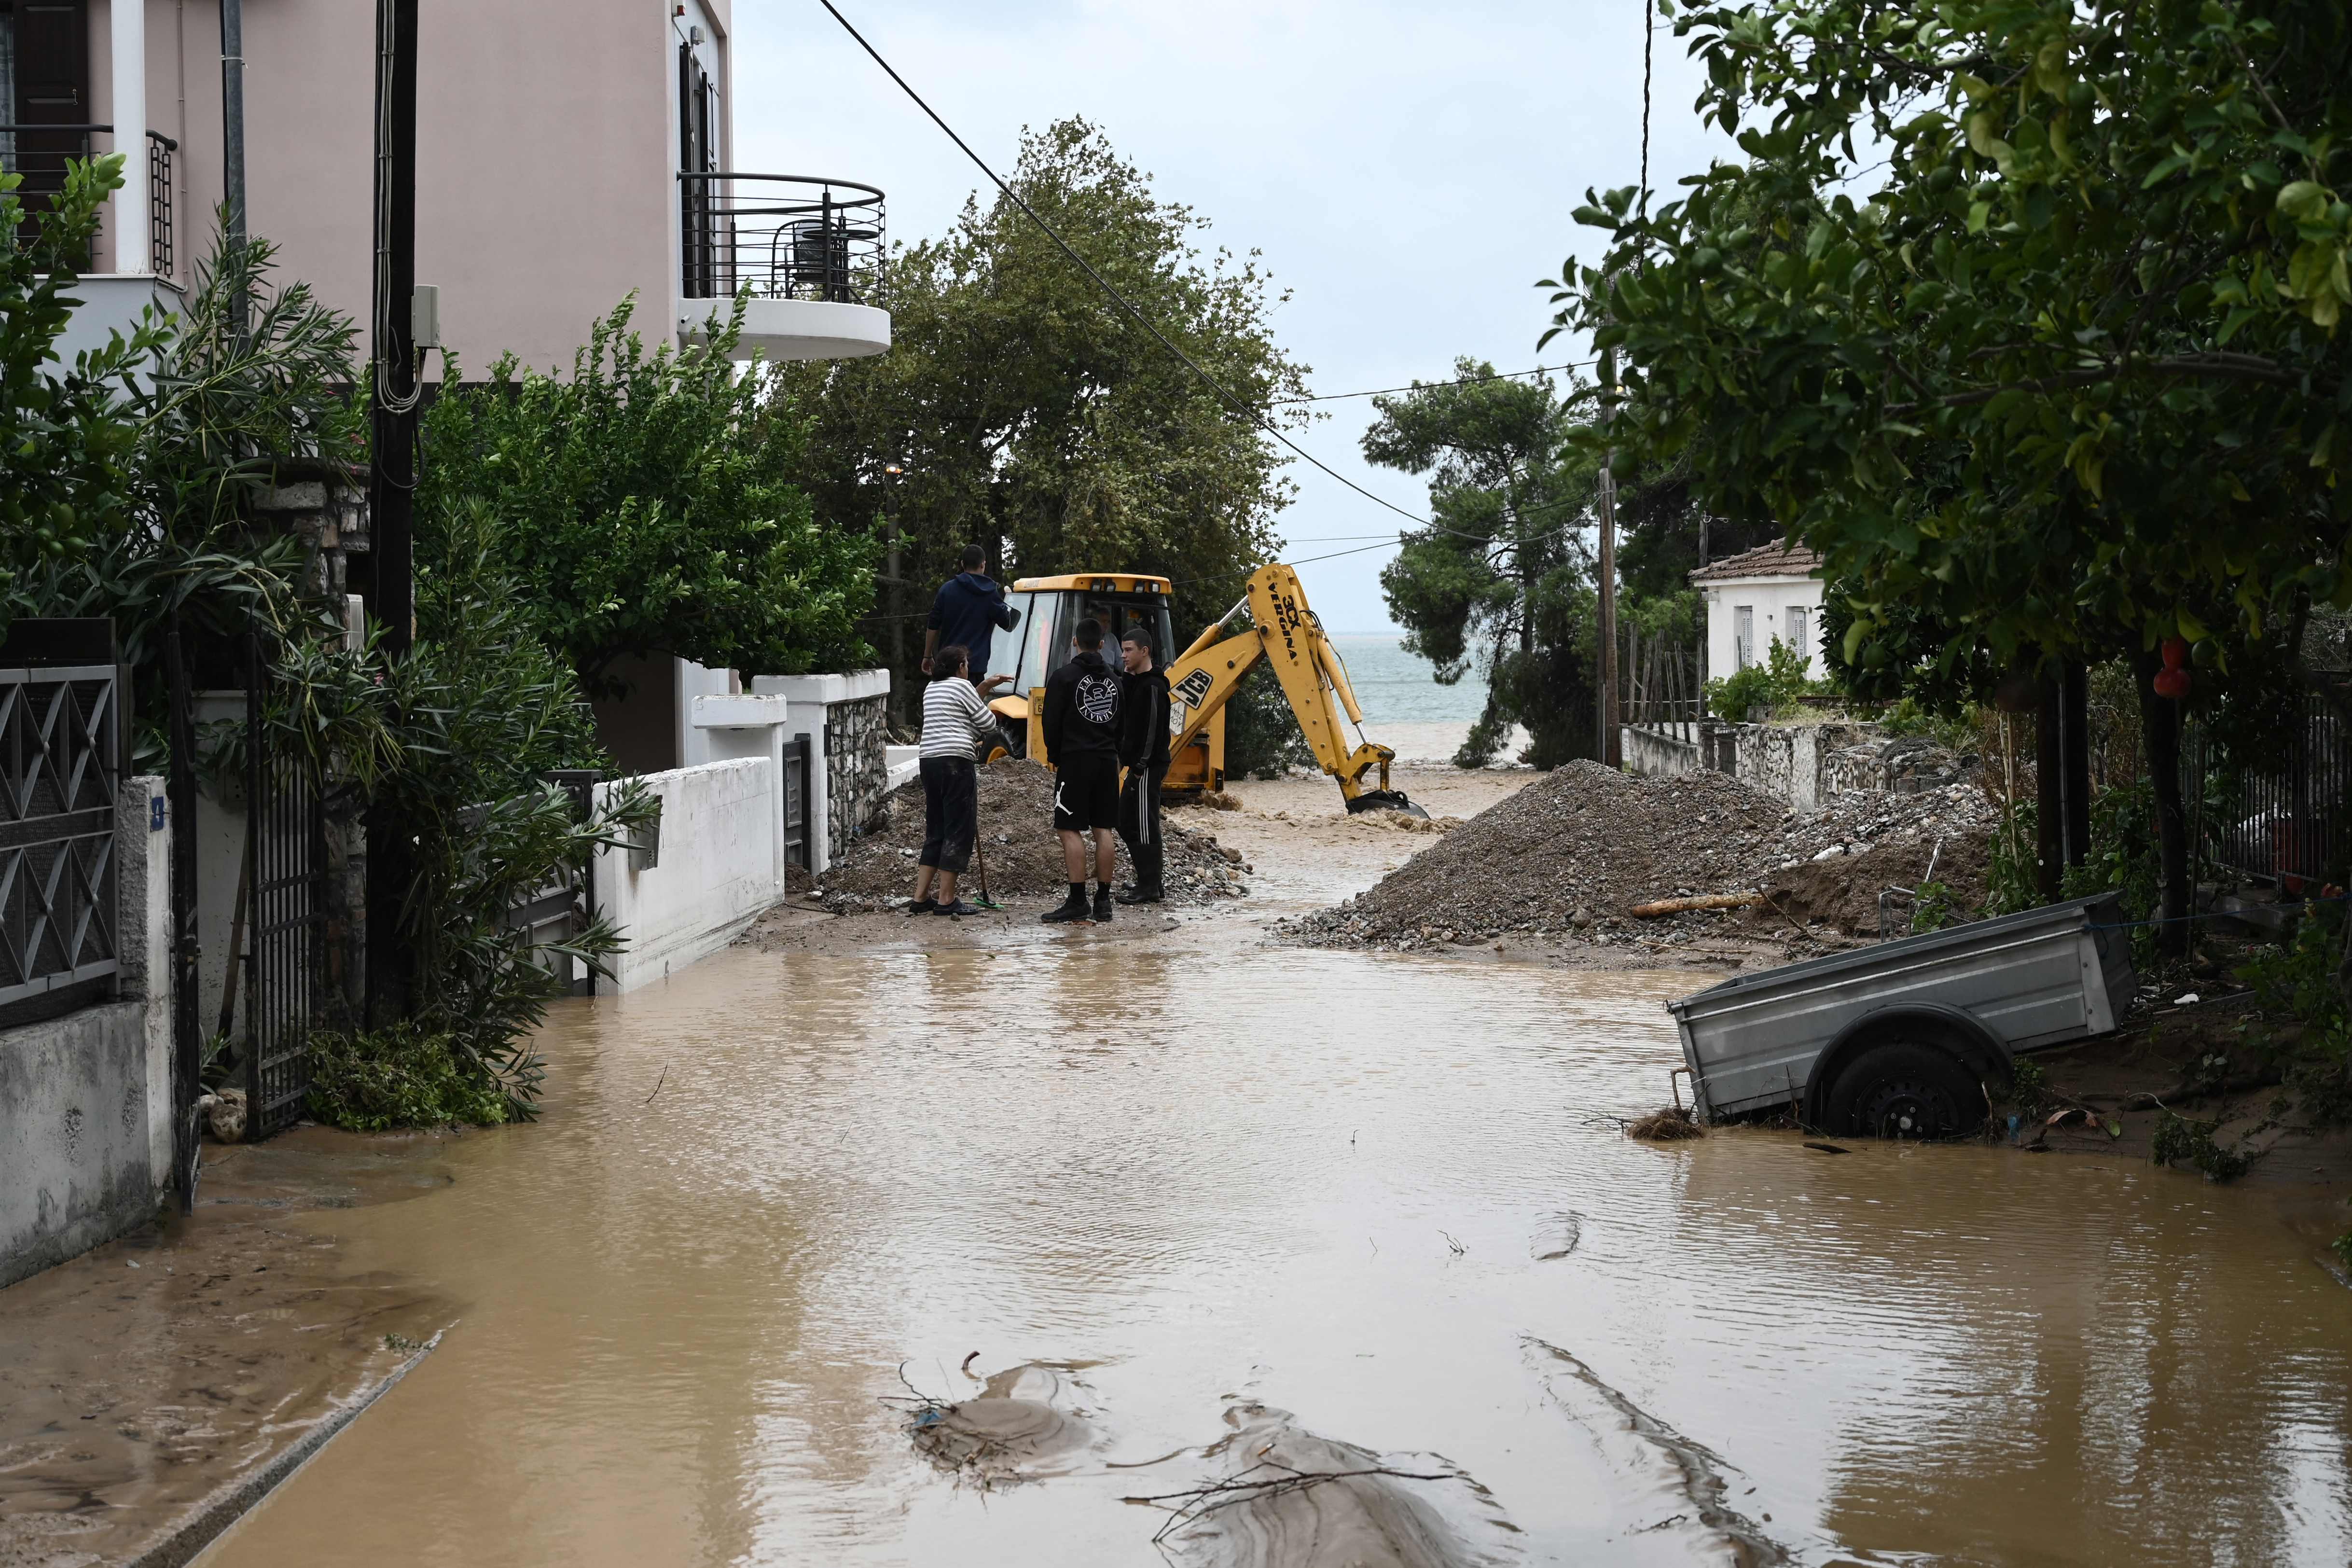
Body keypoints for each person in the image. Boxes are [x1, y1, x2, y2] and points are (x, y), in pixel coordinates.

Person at [909, 645, 1009, 918]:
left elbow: (959, 715)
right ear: (961, 667)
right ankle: (946, 900)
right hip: (956, 762)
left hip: (929, 762)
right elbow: (987, 724)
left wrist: (983, 688)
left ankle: (920, 898)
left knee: (937, 829)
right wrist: (986, 699)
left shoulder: (932, 689)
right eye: (966, 664)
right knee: (958, 829)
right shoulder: (963, 686)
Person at [1038, 618, 1123, 924]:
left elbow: (1051, 722)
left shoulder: (1063, 678)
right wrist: (1115, 754)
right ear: (1102, 644)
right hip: (1106, 761)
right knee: (1104, 828)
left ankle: (1077, 900)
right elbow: (1122, 725)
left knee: (1068, 827)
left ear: (1075, 642)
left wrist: (1056, 755)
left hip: (1075, 760)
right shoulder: (1116, 680)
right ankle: (1104, 902)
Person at [1115, 625, 1172, 904]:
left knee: (1144, 824)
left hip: (1147, 767)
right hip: (1137, 765)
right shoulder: (1136, 681)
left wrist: (1139, 766)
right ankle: (1148, 880)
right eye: (1123, 650)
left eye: (1129, 651)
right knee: (1125, 820)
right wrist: (1127, 676)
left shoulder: (1154, 686)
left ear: (1144, 651)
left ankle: (1150, 886)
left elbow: (1152, 731)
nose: (1123, 656)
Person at [924, 544, 1020, 682]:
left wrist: (927, 656)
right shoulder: (990, 593)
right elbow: (1007, 623)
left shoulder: (946, 590)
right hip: (974, 669)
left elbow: (933, 624)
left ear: (963, 564)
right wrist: (1010, 601)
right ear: (983, 564)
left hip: (947, 668)